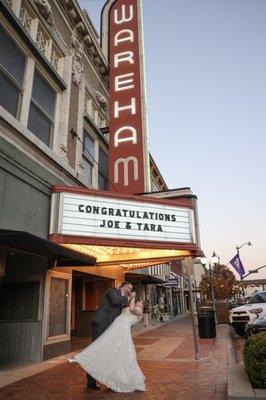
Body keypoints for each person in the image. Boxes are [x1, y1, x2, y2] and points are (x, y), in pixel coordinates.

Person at [69, 297, 145, 393]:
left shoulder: (139, 311)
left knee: (107, 346)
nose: (138, 302)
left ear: (143, 306)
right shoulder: (131, 306)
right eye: (138, 301)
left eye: (140, 302)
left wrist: (133, 297)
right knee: (105, 346)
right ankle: (82, 358)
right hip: (115, 327)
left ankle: (81, 357)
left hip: (121, 330)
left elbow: (131, 308)